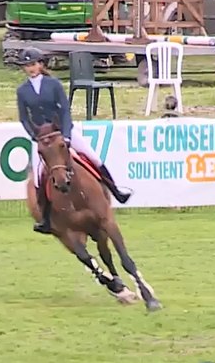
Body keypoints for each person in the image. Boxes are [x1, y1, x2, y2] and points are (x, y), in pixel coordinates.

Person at [15, 47, 131, 235]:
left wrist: (67, 134)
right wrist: (34, 136)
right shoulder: (22, 91)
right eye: (27, 65)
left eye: (33, 64)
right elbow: (24, 118)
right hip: (42, 138)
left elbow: (64, 110)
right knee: (37, 177)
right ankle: (45, 218)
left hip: (62, 130)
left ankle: (116, 191)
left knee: (94, 158)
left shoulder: (53, 84)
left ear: (40, 64)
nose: (31, 68)